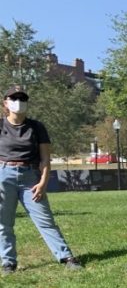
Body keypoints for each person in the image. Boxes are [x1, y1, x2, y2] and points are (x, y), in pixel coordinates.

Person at [0, 85, 82, 275]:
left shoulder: (37, 127)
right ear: (5, 103)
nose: (18, 102)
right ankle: (8, 262)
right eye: (14, 98)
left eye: (22, 99)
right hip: (3, 175)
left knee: (45, 219)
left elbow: (45, 158)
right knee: (4, 223)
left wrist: (43, 182)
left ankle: (66, 256)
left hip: (31, 177)